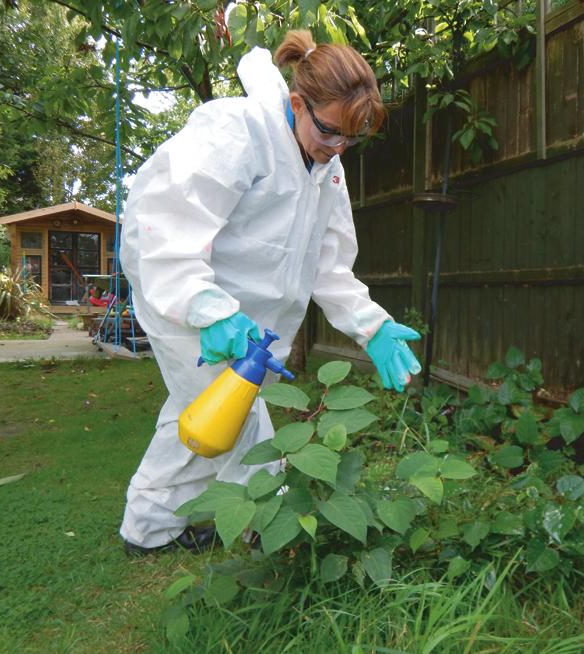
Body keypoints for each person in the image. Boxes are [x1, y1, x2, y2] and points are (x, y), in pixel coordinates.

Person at [118, 30, 421, 555]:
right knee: (240, 421)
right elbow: (165, 227)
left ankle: (148, 529)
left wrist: (373, 326)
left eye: (351, 138)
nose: (337, 148)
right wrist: (207, 311)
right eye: (330, 132)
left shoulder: (328, 168)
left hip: (251, 323)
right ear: (297, 103)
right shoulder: (236, 130)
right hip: (185, 299)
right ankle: (281, 536)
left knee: (198, 413)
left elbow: (329, 266)